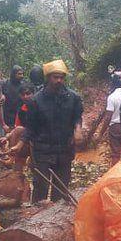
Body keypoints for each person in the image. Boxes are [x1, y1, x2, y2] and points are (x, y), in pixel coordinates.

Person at [19, 59, 84, 202]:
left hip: (64, 150)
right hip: (43, 152)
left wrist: (78, 130)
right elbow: (30, 127)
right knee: (40, 190)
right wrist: (19, 144)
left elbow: (77, 117)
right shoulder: (36, 101)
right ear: (48, 77)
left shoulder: (73, 98)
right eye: (56, 77)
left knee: (61, 193)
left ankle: (57, 220)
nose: (59, 80)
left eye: (61, 77)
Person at [105, 77, 121, 162]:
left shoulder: (112, 97)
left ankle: (114, 173)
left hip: (115, 127)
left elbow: (108, 117)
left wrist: (101, 133)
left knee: (115, 153)